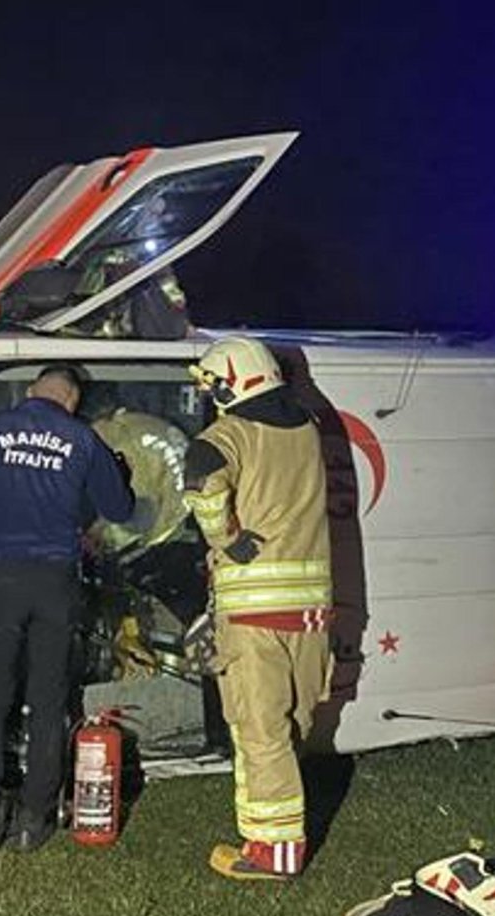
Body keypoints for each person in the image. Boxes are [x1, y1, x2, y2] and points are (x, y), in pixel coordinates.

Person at [0, 366, 134, 853]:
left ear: (32, 392)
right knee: (48, 700)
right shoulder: (81, 438)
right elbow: (117, 508)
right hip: (54, 582)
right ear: (72, 401)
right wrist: (118, 470)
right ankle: (35, 819)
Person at [183, 336, 332, 881]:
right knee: (290, 725)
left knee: (258, 729)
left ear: (228, 383)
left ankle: (275, 851)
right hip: (312, 609)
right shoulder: (308, 428)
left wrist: (225, 538)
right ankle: (268, 832)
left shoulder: (228, 435)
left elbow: (201, 481)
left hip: (253, 614)